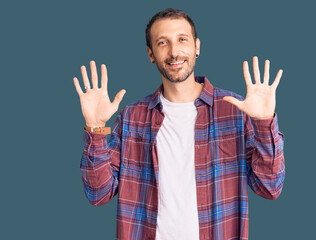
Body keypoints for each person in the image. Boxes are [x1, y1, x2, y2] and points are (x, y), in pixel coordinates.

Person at [73, 8, 285, 240]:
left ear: (197, 47)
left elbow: (269, 188)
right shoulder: (131, 118)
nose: (174, 52)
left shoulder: (235, 111)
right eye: (163, 42)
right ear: (151, 53)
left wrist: (264, 124)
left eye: (182, 40)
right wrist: (95, 127)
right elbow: (98, 194)